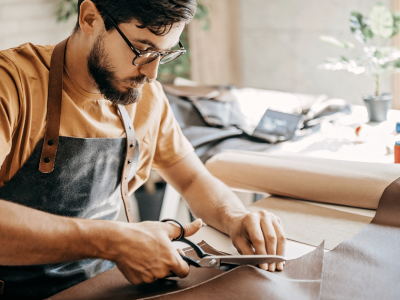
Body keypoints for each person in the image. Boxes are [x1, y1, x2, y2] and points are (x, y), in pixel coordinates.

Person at [0, 0, 285, 298]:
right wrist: (114, 241)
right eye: (142, 50)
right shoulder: (11, 84)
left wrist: (235, 217)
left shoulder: (147, 98)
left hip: (101, 285)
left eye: (165, 53)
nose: (152, 73)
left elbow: (191, 179)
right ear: (89, 18)